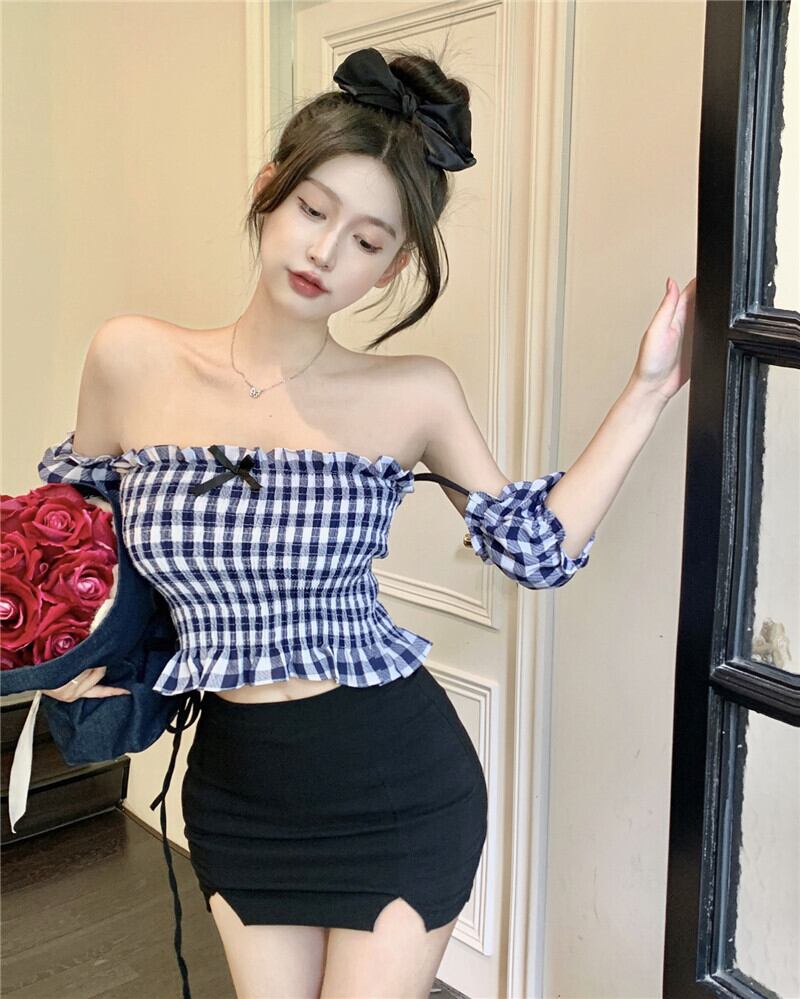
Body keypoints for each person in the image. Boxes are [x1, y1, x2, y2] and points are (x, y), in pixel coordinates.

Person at [39, 45, 695, 999]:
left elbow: (535, 552)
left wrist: (646, 391)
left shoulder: (414, 394)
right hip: (238, 787)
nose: (325, 253)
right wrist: (70, 658)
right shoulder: (131, 360)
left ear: (394, 267)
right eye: (314, 210)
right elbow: (73, 539)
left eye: (368, 240)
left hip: (395, 784)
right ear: (270, 190)